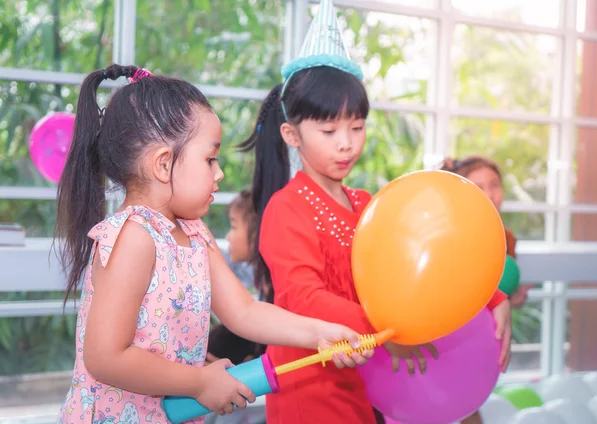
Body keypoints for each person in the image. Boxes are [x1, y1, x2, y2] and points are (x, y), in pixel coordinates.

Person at [239, 1, 512, 423]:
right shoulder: (286, 208)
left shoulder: (368, 204)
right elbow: (301, 297)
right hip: (310, 386)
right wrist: (388, 332)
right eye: (329, 131)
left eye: (357, 126)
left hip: (367, 380)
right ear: (291, 134)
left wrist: (494, 298)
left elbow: (430, 255)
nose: (346, 143)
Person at [53, 64, 373, 424]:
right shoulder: (133, 237)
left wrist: (320, 333)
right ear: (163, 164)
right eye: (210, 159)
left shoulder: (193, 232)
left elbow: (245, 312)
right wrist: (200, 381)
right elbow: (105, 357)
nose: (219, 173)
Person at [441, 155, 527, 424]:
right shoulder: (445, 235)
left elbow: (495, 294)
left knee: (468, 407)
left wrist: (513, 299)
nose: (489, 194)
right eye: (478, 187)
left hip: (477, 346)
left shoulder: (506, 238)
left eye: (494, 185)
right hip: (440, 339)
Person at [207, 188, 266, 366]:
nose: (228, 237)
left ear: (257, 233)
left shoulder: (274, 286)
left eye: (233, 226)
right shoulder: (260, 280)